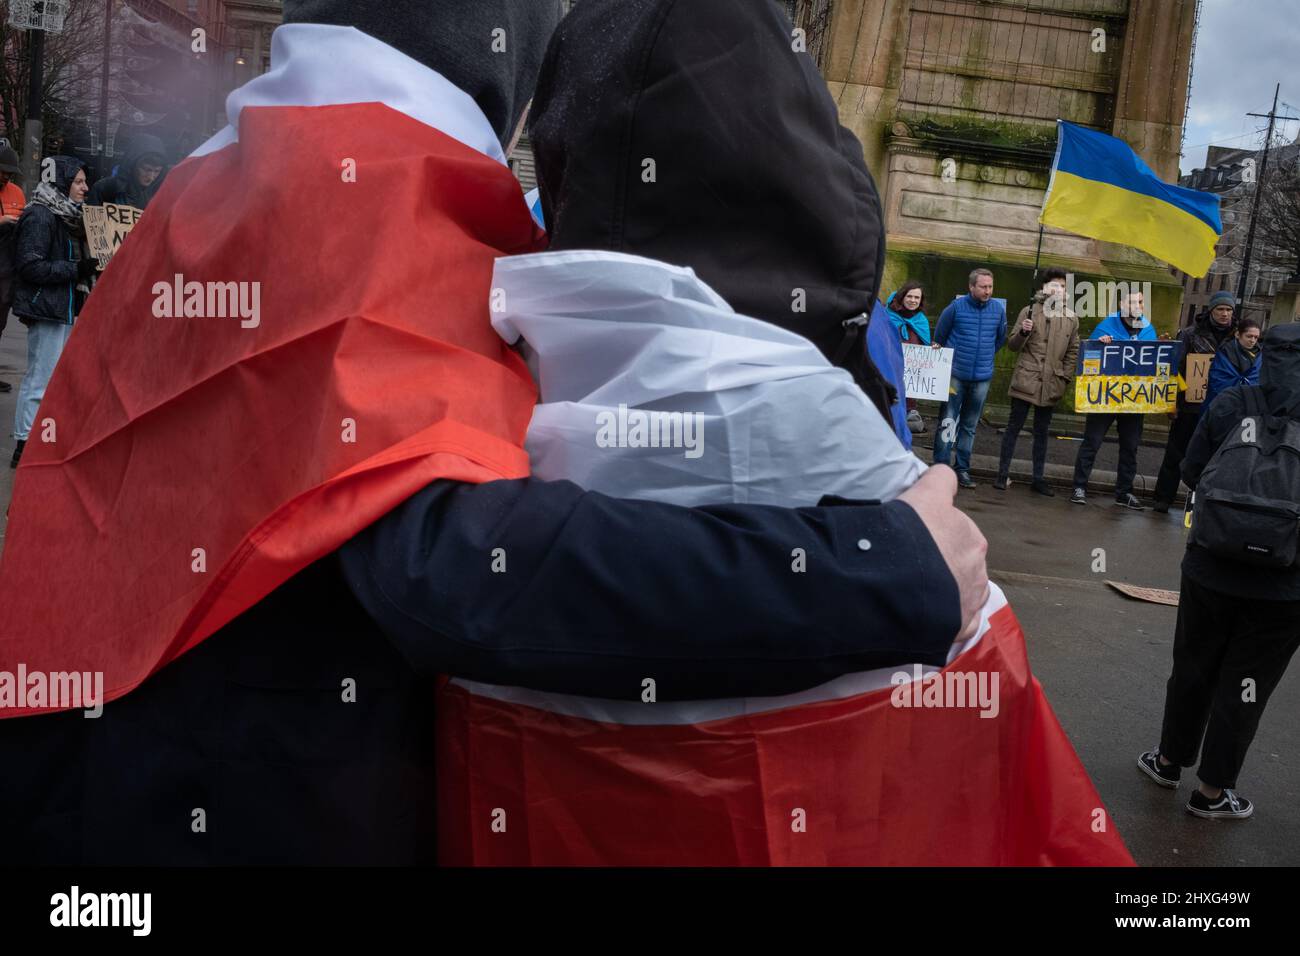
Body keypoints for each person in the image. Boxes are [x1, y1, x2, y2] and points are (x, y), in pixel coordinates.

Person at [0, 1, 987, 865]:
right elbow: (457, 569)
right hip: (246, 801)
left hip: (100, 772)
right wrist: (877, 566)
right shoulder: (369, 188)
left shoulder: (220, 176)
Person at [1137, 322, 1300, 819]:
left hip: (1210, 567)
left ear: (1261, 353)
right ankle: (1211, 792)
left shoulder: (1231, 403)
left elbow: (1189, 470)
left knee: (1194, 665)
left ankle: (1168, 761)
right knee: (1247, 684)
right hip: (1284, 584)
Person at [9, 156, 95, 469]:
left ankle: (38, 439)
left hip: (63, 307)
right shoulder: (41, 216)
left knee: (52, 379)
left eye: (85, 181)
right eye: (78, 181)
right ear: (62, 182)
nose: (85, 188)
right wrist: (76, 269)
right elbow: (30, 266)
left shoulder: (66, 216)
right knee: (40, 379)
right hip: (47, 307)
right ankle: (24, 443)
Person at [995, 267, 1079, 496]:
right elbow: (1012, 345)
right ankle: (1002, 474)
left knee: (1042, 432)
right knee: (1014, 427)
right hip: (1026, 379)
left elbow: (1073, 351)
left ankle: (1038, 478)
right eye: (1054, 285)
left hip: (1051, 383)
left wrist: (1065, 377)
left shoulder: (1071, 318)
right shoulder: (1030, 311)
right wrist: (1023, 332)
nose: (1058, 290)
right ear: (1044, 288)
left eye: (1063, 286)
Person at [1152, 290, 1237, 513]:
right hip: (1191, 406)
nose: (1225, 314)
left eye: (1229, 310)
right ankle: (1163, 498)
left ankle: (1205, 506)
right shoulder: (1190, 335)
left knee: (1215, 459)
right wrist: (1173, 403)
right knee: (1175, 453)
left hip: (1222, 408)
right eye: (1221, 309)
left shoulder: (1238, 337)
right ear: (1211, 310)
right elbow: (1175, 369)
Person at [1070, 290, 1154, 508]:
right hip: (1105, 397)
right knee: (1092, 442)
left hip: (1133, 399)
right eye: (1132, 301)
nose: (1137, 305)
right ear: (1122, 303)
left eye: (1141, 302)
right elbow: (1089, 356)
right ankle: (1079, 486)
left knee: (1130, 446)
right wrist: (1099, 345)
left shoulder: (1148, 329)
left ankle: (1124, 492)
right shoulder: (1106, 326)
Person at [931, 268, 1007, 488]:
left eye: (990, 287)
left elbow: (999, 339)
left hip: (982, 377)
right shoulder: (955, 308)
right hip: (955, 375)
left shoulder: (998, 310)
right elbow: (940, 337)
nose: (988, 291)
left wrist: (983, 358)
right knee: (948, 422)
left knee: (969, 426)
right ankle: (941, 469)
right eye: (983, 286)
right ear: (971, 287)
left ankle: (962, 469)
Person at [885, 281, 930, 433]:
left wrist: (933, 348)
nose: (913, 300)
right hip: (890, 374)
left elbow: (925, 347)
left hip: (911, 378)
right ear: (902, 297)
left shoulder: (921, 320)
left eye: (917, 297)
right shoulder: (888, 316)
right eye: (909, 296)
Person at [0, 144, 25, 393]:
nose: (6, 175)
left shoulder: (16, 192)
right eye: (2, 171)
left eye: (9, 172)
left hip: (6, 269)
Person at [85, 134, 167, 209]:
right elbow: (91, 222)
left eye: (157, 171)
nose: (151, 177)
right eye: (146, 169)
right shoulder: (105, 188)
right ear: (133, 165)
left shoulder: (158, 195)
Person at [1201, 315, 1260, 412]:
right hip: (1222, 407)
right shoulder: (1225, 352)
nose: (1252, 340)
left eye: (1256, 337)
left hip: (1249, 409)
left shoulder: (1260, 356)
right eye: (1249, 336)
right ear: (1238, 335)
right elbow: (1218, 381)